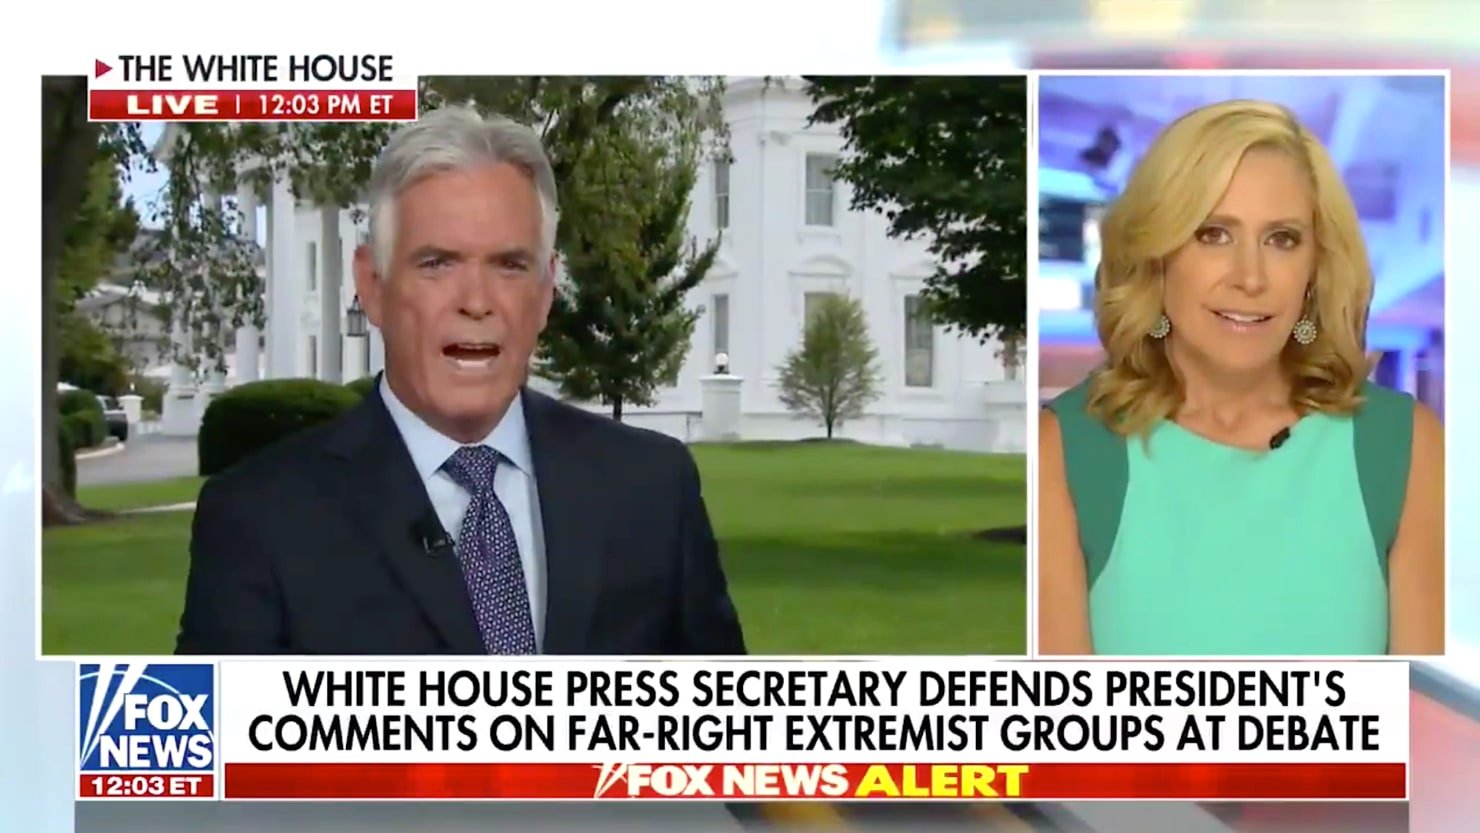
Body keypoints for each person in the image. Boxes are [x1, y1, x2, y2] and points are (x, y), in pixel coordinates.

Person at [175, 105, 747, 656]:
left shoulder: (652, 489)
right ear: (372, 286)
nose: (476, 302)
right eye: (437, 264)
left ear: (546, 291)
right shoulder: (260, 519)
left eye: (509, 265)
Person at [1038, 99, 1445, 657]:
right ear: (1156, 256)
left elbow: (1423, 710)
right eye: (1213, 234)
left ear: (1314, 268)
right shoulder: (1065, 452)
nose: (1250, 278)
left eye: (1282, 239)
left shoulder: (1404, 447)